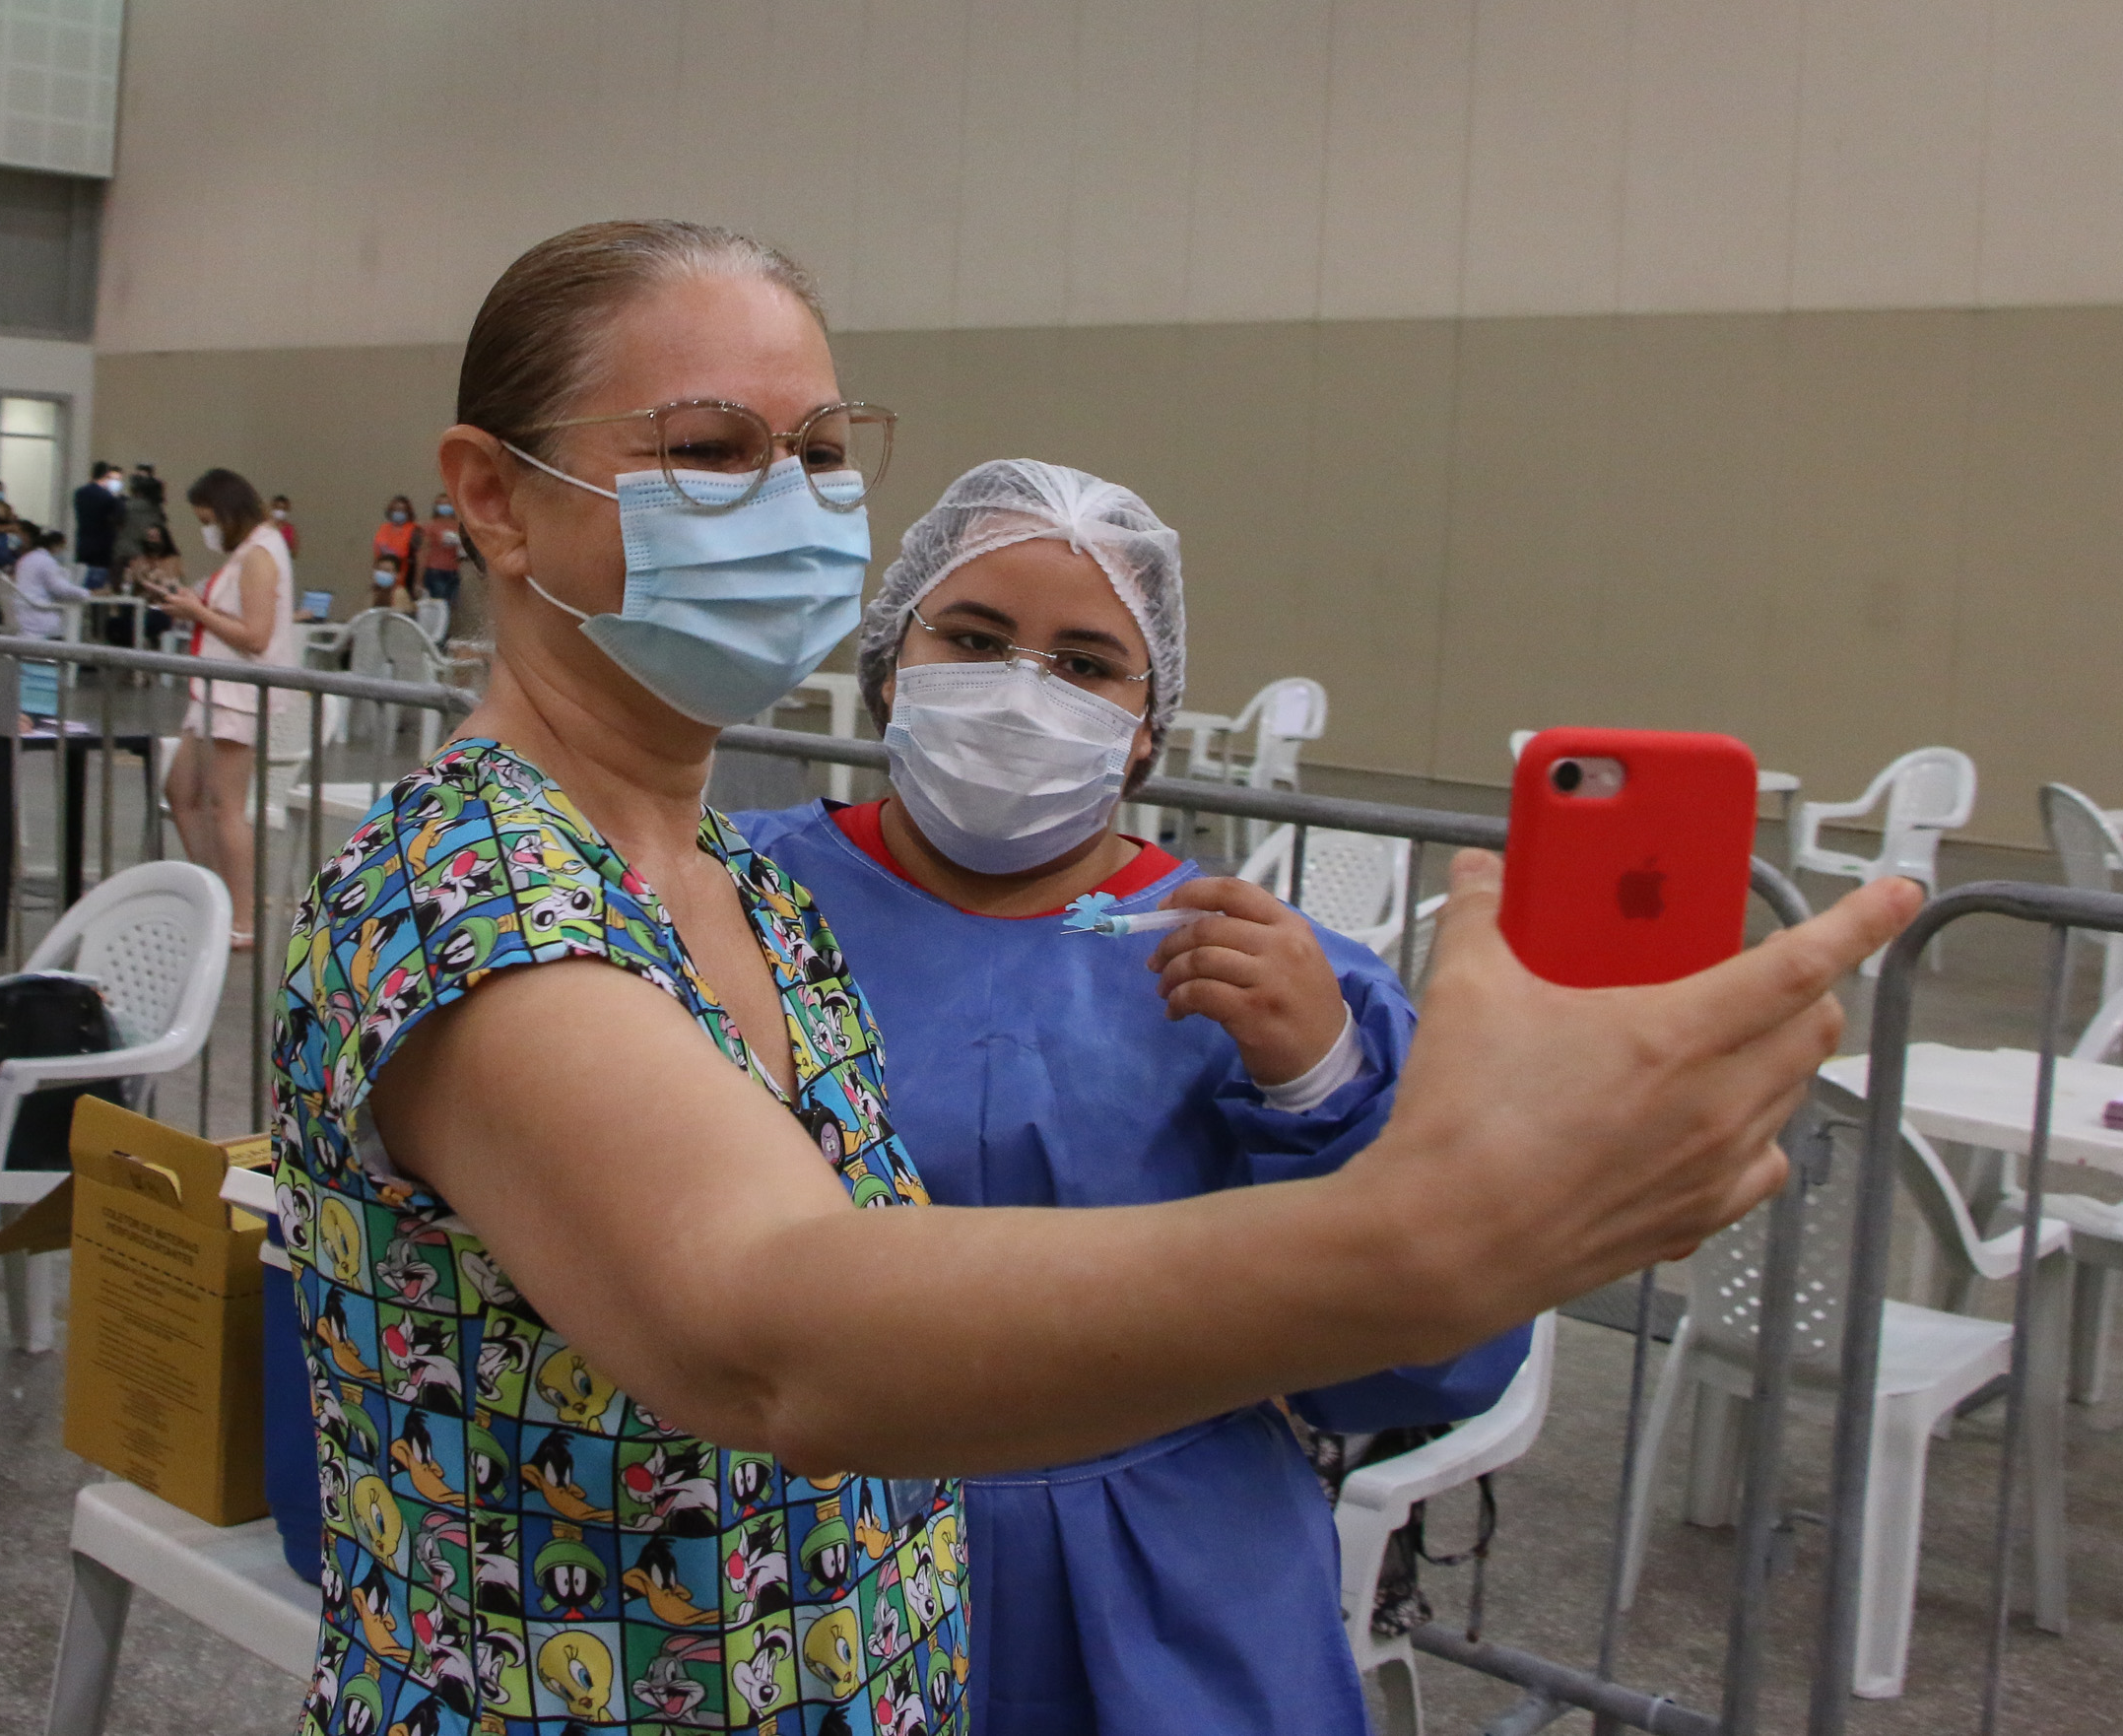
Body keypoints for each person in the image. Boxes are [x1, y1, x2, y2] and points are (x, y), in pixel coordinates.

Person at [268, 219, 1913, 1736]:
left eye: (822, 456)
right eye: (705, 452)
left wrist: (1336, 1098)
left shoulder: (727, 896)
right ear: (488, 493)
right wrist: (1415, 1241)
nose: (781, 504)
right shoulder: (469, 892)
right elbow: (767, 1322)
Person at [733, 458, 1519, 1734]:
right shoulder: (731, 898)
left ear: (1147, 723)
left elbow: (1438, 1352)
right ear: (890, 662)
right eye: (974, 640)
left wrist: (1320, 1084)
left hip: (1165, 1590)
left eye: (1087, 663)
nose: (1021, 689)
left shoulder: (1268, 974)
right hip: (792, 1553)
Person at [146, 467, 294, 951]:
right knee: (181, 789)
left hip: (237, 696)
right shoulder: (246, 554)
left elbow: (256, 636)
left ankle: (243, 920)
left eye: (208, 519)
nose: (206, 530)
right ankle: (213, 897)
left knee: (227, 807)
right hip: (212, 692)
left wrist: (197, 613)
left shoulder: (259, 556)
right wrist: (193, 603)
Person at [8, 524, 95, 639]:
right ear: (55, 545)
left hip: (23, 614)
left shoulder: (26, 559)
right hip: (41, 617)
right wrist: (89, 593)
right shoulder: (46, 562)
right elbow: (60, 589)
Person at [418, 490, 464, 628]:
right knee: (438, 607)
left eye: (447, 503)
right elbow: (423, 552)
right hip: (435, 571)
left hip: (453, 571)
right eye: (441, 504)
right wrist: (418, 579)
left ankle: (445, 635)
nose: (444, 507)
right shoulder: (430, 526)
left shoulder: (459, 526)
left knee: (451, 607)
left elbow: (463, 553)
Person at [74, 460, 124, 586]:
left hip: (84, 545)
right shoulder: (108, 498)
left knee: (83, 583)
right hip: (103, 549)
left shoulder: (80, 493)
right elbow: (118, 519)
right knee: (98, 587)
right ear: (106, 476)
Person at [370, 492, 419, 600]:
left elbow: (419, 557)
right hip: (382, 574)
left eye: (402, 510)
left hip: (403, 577)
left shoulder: (414, 530)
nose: (398, 512)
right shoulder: (383, 528)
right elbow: (376, 552)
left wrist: (417, 583)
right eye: (395, 509)